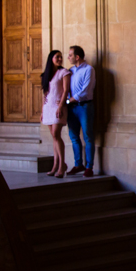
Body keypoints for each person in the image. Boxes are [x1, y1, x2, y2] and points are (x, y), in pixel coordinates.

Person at [65, 45, 96, 177]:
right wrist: (66, 100)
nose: (68, 57)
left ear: (77, 57)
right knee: (73, 137)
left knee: (88, 137)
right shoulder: (70, 71)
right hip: (72, 108)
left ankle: (89, 167)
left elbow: (85, 90)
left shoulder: (89, 69)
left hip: (84, 106)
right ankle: (78, 165)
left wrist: (69, 100)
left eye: (70, 55)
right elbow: (66, 88)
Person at [39, 50, 71, 178]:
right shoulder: (45, 75)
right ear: (51, 58)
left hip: (58, 107)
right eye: (57, 57)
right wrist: (42, 111)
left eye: (61, 57)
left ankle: (62, 165)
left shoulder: (64, 72)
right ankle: (55, 165)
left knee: (56, 134)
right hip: (48, 108)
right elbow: (44, 94)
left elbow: (66, 90)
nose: (60, 59)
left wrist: (61, 106)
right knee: (54, 137)